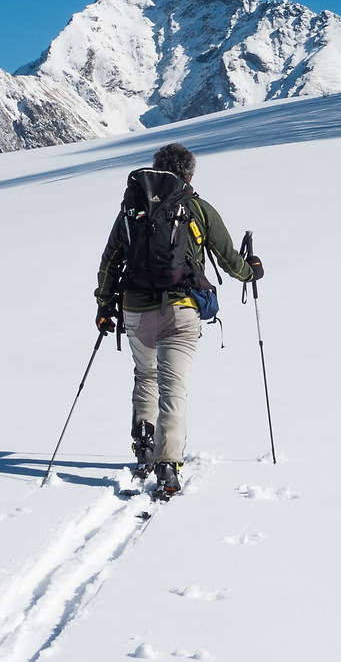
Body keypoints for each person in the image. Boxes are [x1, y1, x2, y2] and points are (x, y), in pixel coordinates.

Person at [92, 141, 260, 497]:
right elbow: (230, 260)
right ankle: (168, 463)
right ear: (190, 174)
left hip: (136, 309)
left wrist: (104, 305)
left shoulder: (131, 209)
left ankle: (144, 441)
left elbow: (110, 260)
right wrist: (252, 271)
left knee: (145, 374)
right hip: (181, 311)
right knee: (173, 387)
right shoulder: (197, 208)